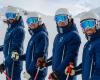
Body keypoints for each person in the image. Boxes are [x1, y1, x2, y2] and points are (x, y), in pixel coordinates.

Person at [40, 8, 81, 80]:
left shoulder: (73, 35)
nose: (61, 21)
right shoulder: (58, 37)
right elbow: (56, 55)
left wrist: (56, 74)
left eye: (63, 18)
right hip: (57, 75)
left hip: (66, 76)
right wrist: (46, 63)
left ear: (69, 19)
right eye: (58, 19)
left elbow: (70, 57)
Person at [0, 6, 25, 80]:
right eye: (8, 15)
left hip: (14, 63)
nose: (9, 18)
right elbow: (7, 45)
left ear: (17, 16)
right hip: (9, 62)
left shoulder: (19, 30)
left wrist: (4, 64)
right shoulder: (10, 29)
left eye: (12, 15)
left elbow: (15, 51)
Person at [73, 11, 100, 80]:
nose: (88, 27)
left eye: (90, 23)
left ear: (97, 24)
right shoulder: (88, 44)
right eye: (85, 24)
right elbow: (87, 64)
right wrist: (75, 71)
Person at [25, 12, 49, 80]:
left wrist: (30, 72)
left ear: (39, 21)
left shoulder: (42, 35)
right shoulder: (34, 36)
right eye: (29, 21)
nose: (31, 23)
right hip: (31, 73)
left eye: (34, 20)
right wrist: (18, 57)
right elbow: (29, 55)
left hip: (37, 74)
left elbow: (39, 56)